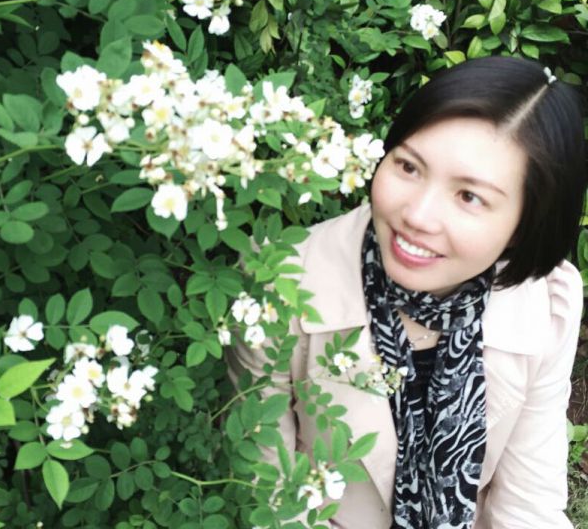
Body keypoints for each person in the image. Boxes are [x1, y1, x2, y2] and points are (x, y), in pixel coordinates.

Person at [227, 56, 586, 529]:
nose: (417, 215)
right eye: (409, 166)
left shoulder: (545, 302)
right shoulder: (281, 280)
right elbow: (268, 496)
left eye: (469, 196)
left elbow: (527, 506)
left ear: (524, 224)